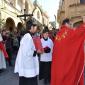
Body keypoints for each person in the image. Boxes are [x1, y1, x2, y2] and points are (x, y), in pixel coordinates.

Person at [51, 18, 85, 85]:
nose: (72, 27)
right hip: (66, 65)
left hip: (58, 66)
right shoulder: (68, 32)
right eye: (71, 24)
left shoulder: (58, 34)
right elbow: (78, 33)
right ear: (66, 24)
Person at [14, 20, 39, 85]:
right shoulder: (28, 37)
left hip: (26, 65)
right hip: (28, 66)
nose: (36, 28)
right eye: (35, 27)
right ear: (31, 27)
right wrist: (36, 52)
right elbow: (27, 52)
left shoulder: (27, 36)